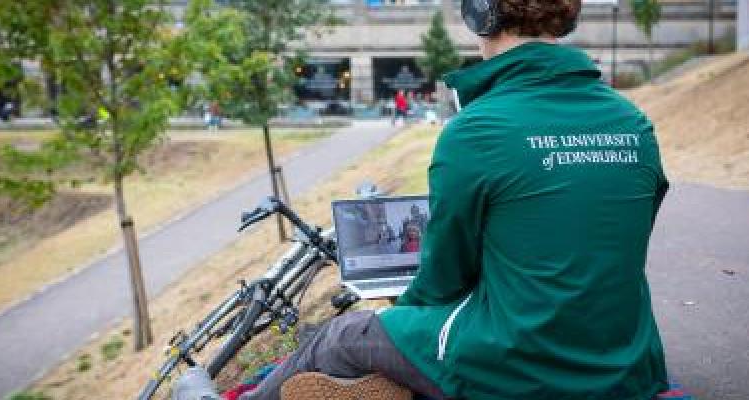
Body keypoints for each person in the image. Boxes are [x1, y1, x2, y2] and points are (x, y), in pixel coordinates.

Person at [176, 1, 670, 399]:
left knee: (343, 335)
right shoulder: (634, 122)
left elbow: (443, 282)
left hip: (518, 365)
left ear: (481, 14)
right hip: (630, 364)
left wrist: (397, 318)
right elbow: (604, 247)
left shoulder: (477, 130)